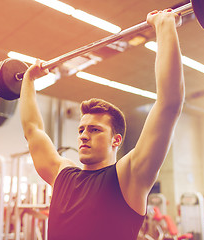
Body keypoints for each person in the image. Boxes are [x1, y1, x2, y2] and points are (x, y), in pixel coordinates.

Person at [20, 8, 184, 240]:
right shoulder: (62, 174)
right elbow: (32, 130)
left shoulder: (129, 177)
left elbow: (169, 104)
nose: (84, 135)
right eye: (81, 129)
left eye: (95, 129)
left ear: (116, 140)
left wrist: (165, 26)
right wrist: (28, 80)